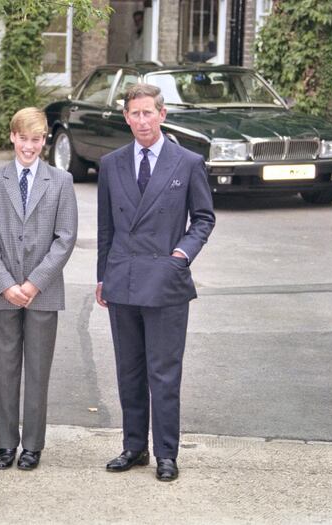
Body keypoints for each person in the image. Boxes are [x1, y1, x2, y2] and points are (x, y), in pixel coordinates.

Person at [96, 83, 215, 482]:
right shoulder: (112, 163)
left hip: (165, 282)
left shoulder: (187, 162)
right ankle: (134, 447)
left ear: (162, 114)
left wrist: (180, 255)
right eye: (135, 113)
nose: (142, 120)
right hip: (123, 280)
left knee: (163, 373)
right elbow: (106, 228)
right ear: (125, 117)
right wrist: (102, 277)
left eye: (149, 112)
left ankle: (167, 453)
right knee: (129, 369)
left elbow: (203, 219)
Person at [0, 107, 78, 470]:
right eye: (24, 138)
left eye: (36, 140)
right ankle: (6, 443)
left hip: (43, 292)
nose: (29, 146)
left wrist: (34, 282)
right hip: (3, 292)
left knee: (38, 370)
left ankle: (33, 445)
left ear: (44, 141)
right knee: (4, 370)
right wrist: (6, 284)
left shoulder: (61, 181)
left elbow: (65, 238)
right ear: (12, 137)